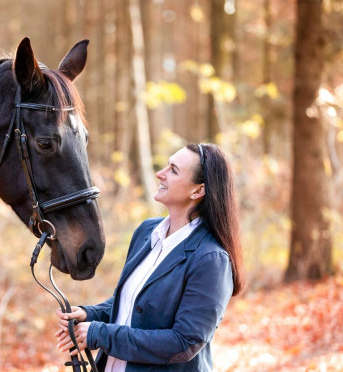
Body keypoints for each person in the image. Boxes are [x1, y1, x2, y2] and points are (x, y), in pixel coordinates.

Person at [55, 143, 244, 371]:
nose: (160, 173)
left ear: (197, 191)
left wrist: (101, 334)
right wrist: (90, 314)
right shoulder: (146, 232)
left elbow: (182, 343)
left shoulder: (211, 259)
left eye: (173, 170)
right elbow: (131, 304)